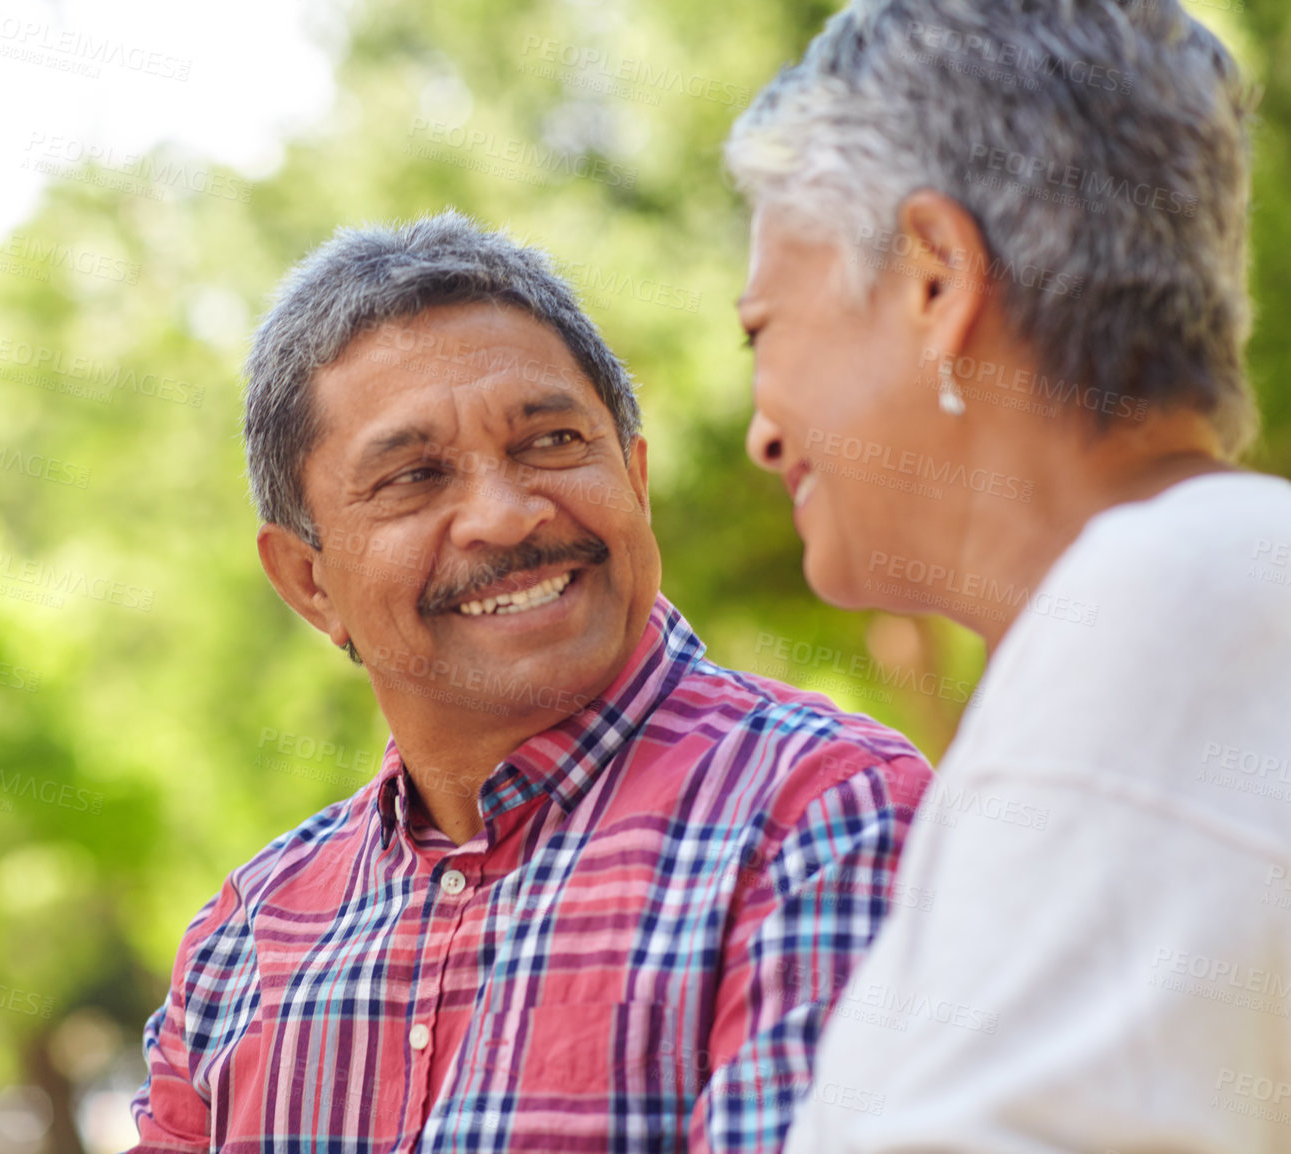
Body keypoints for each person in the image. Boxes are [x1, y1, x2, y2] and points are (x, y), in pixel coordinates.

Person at [128, 212, 934, 1153]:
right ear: (310, 582)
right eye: (415, 476)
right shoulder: (244, 944)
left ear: (634, 477)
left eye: (550, 441)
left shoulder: (825, 818)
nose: (505, 517)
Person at [723, 0, 1291, 1148]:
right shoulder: (1171, 610)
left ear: (935, 278)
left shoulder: (1169, 610)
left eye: (762, 330)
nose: (761, 436)